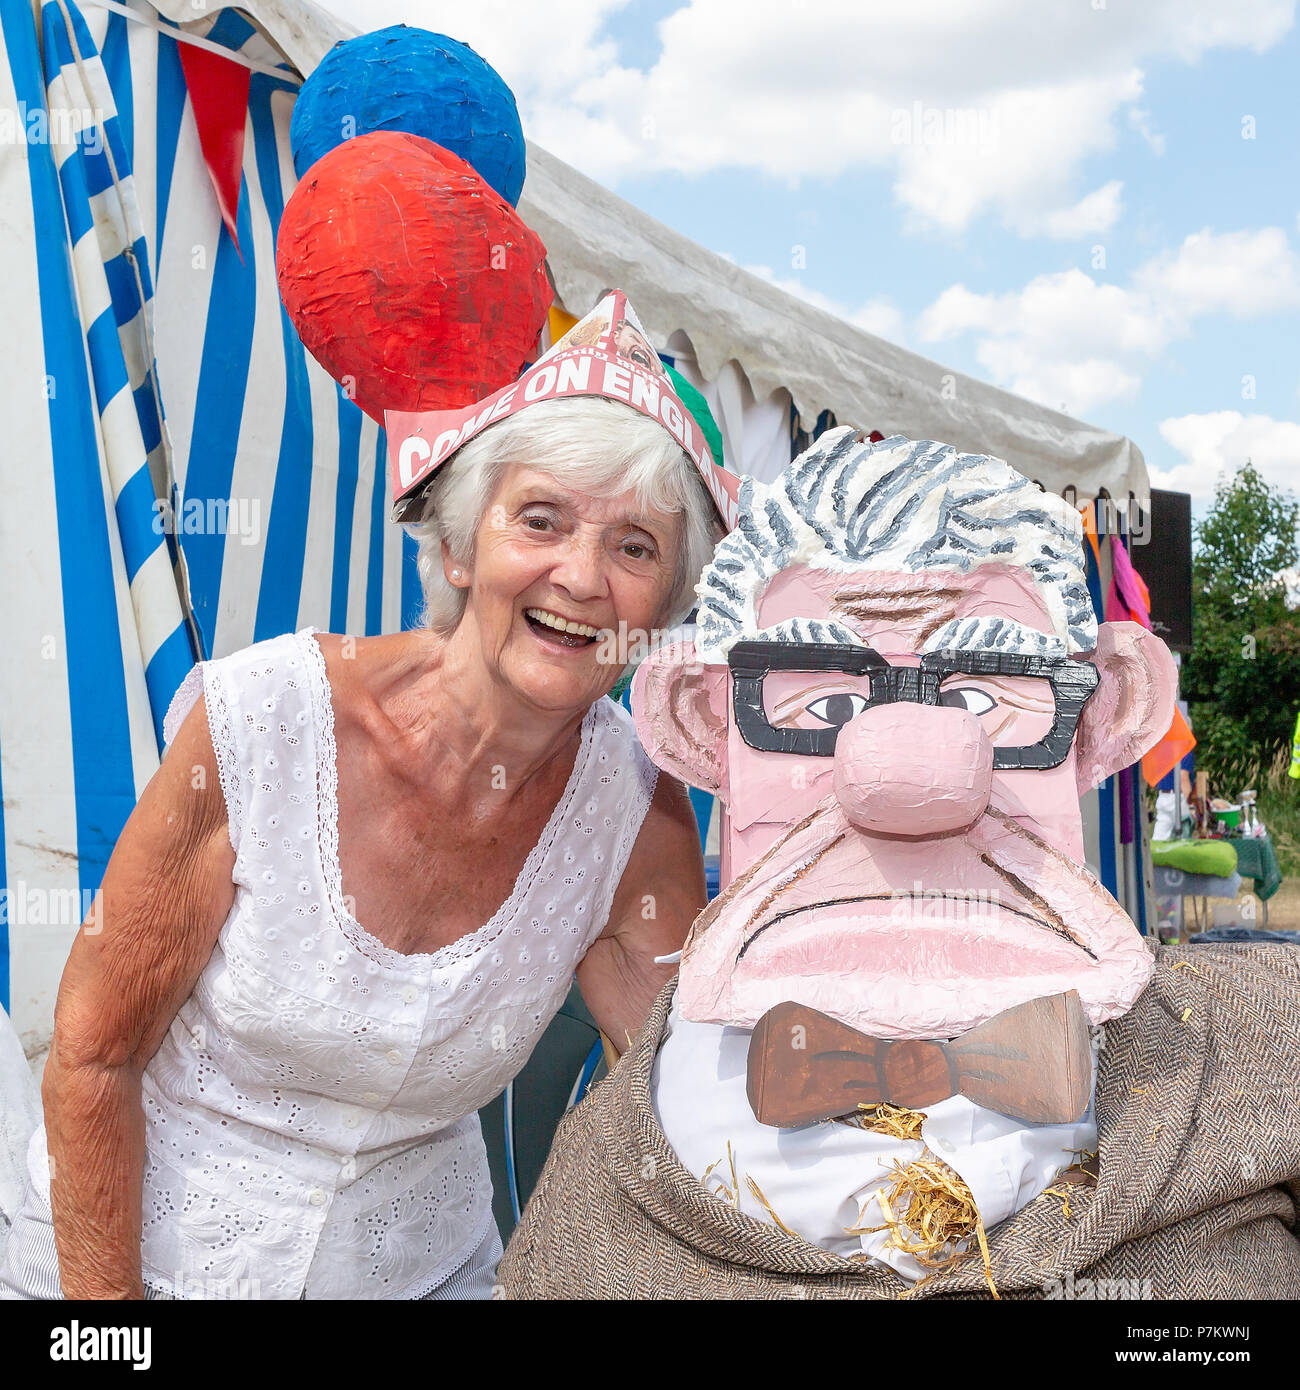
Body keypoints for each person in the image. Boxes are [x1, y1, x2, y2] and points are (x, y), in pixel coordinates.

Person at [498, 430, 1300, 1299]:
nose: (913, 779)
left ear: (1106, 714)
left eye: (986, 695)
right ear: (702, 725)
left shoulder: (1258, 1045)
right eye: (829, 700)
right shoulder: (601, 1194)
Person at [0, 389, 720, 1301]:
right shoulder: (264, 717)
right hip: (126, 1270)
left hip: (422, 1277)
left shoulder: (640, 812)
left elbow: (688, 1100)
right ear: (458, 548)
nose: (581, 577)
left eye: (634, 547)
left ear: (664, 607)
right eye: (542, 520)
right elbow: (95, 1054)